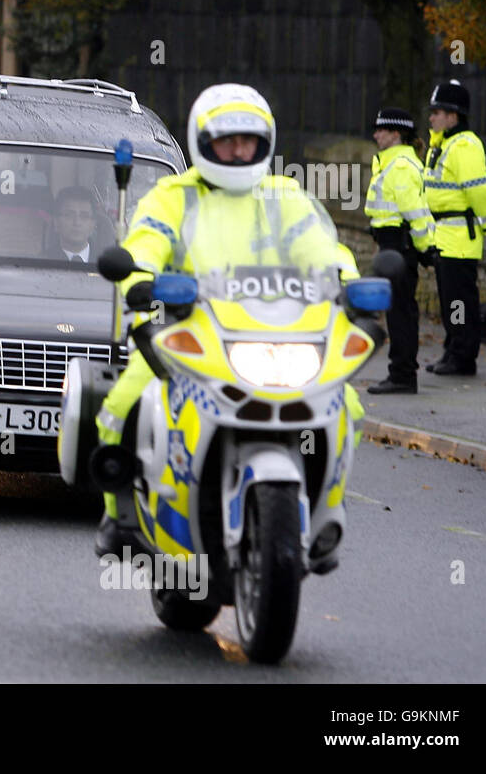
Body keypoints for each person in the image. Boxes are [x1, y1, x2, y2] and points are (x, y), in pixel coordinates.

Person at [90, 83, 364, 557]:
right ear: (203, 141)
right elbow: (146, 242)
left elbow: (321, 248)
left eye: (248, 140)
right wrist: (138, 277)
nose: (238, 150)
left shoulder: (285, 197)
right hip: (189, 334)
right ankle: (121, 517)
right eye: (226, 140)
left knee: (349, 406)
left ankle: (325, 516)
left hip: (279, 335)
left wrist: (347, 283)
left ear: (265, 143)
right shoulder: (173, 196)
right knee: (125, 402)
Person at [423, 80, 486, 376]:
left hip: (459, 239)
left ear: (453, 115)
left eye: (437, 111)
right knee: (451, 299)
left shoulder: (464, 145)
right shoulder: (444, 144)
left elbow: (478, 191)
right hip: (446, 237)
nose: (432, 117)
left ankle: (462, 357)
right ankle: (453, 350)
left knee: (459, 301)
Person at [364, 108, 434, 394]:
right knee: (397, 311)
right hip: (392, 245)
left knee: (401, 312)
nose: (375, 134)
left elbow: (415, 213)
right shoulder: (390, 162)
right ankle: (401, 373)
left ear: (396, 134)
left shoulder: (401, 165)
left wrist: (425, 248)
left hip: (400, 248)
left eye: (381, 130)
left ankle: (403, 375)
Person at [53, 185, 108, 263]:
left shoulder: (108, 264)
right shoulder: (42, 261)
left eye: (84, 216)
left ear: (93, 224)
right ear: (56, 222)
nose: (77, 222)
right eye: (69, 215)